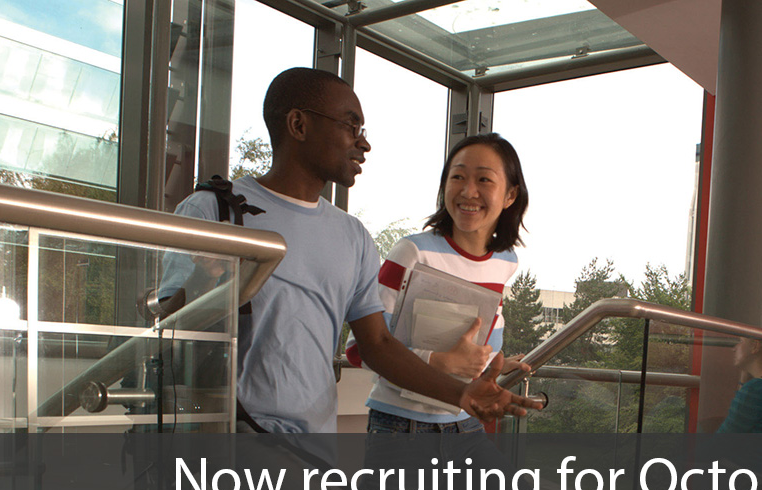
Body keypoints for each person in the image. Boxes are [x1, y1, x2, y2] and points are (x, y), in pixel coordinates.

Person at [161, 68, 539, 434]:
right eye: (350, 126)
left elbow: (377, 345)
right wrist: (203, 278)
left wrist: (460, 393)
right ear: (299, 125)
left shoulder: (353, 235)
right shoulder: (211, 211)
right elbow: (166, 333)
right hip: (230, 436)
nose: (363, 143)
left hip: (313, 445)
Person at [345, 133, 557, 490]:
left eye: (484, 179)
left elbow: (484, 323)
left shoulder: (505, 262)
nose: (468, 191)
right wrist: (437, 362)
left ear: (510, 195)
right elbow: (359, 349)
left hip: (465, 431)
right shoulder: (413, 251)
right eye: (457, 177)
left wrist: (492, 360)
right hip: (399, 433)